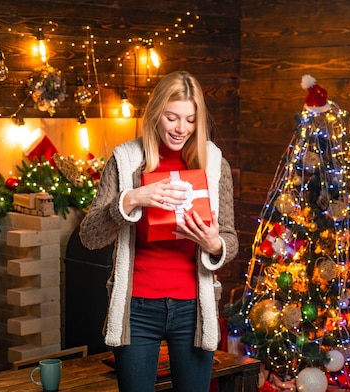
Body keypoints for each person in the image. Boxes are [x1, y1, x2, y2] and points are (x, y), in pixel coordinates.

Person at [79, 70, 238, 392]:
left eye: (191, 120)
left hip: (193, 306)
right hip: (137, 307)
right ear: (155, 114)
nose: (181, 129)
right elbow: (90, 237)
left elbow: (230, 240)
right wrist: (132, 199)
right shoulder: (126, 161)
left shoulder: (212, 163)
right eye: (172, 117)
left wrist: (214, 243)